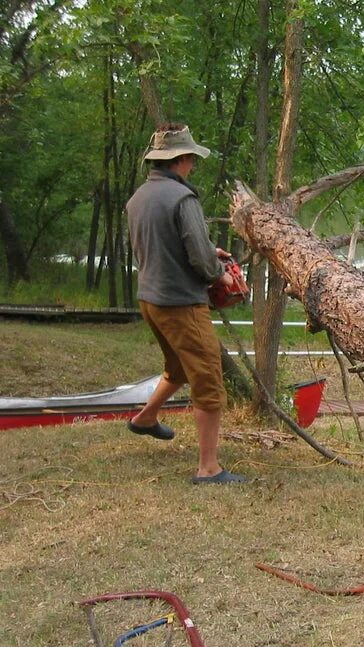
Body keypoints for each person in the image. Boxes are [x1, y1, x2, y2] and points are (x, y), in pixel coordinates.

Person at [125, 123, 246, 484]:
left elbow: (163, 244)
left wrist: (209, 253)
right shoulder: (183, 199)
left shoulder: (138, 199)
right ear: (183, 159)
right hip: (180, 304)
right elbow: (198, 256)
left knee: (177, 367)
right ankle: (209, 469)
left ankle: (145, 418)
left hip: (151, 299)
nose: (193, 164)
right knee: (209, 380)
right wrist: (219, 273)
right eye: (191, 158)